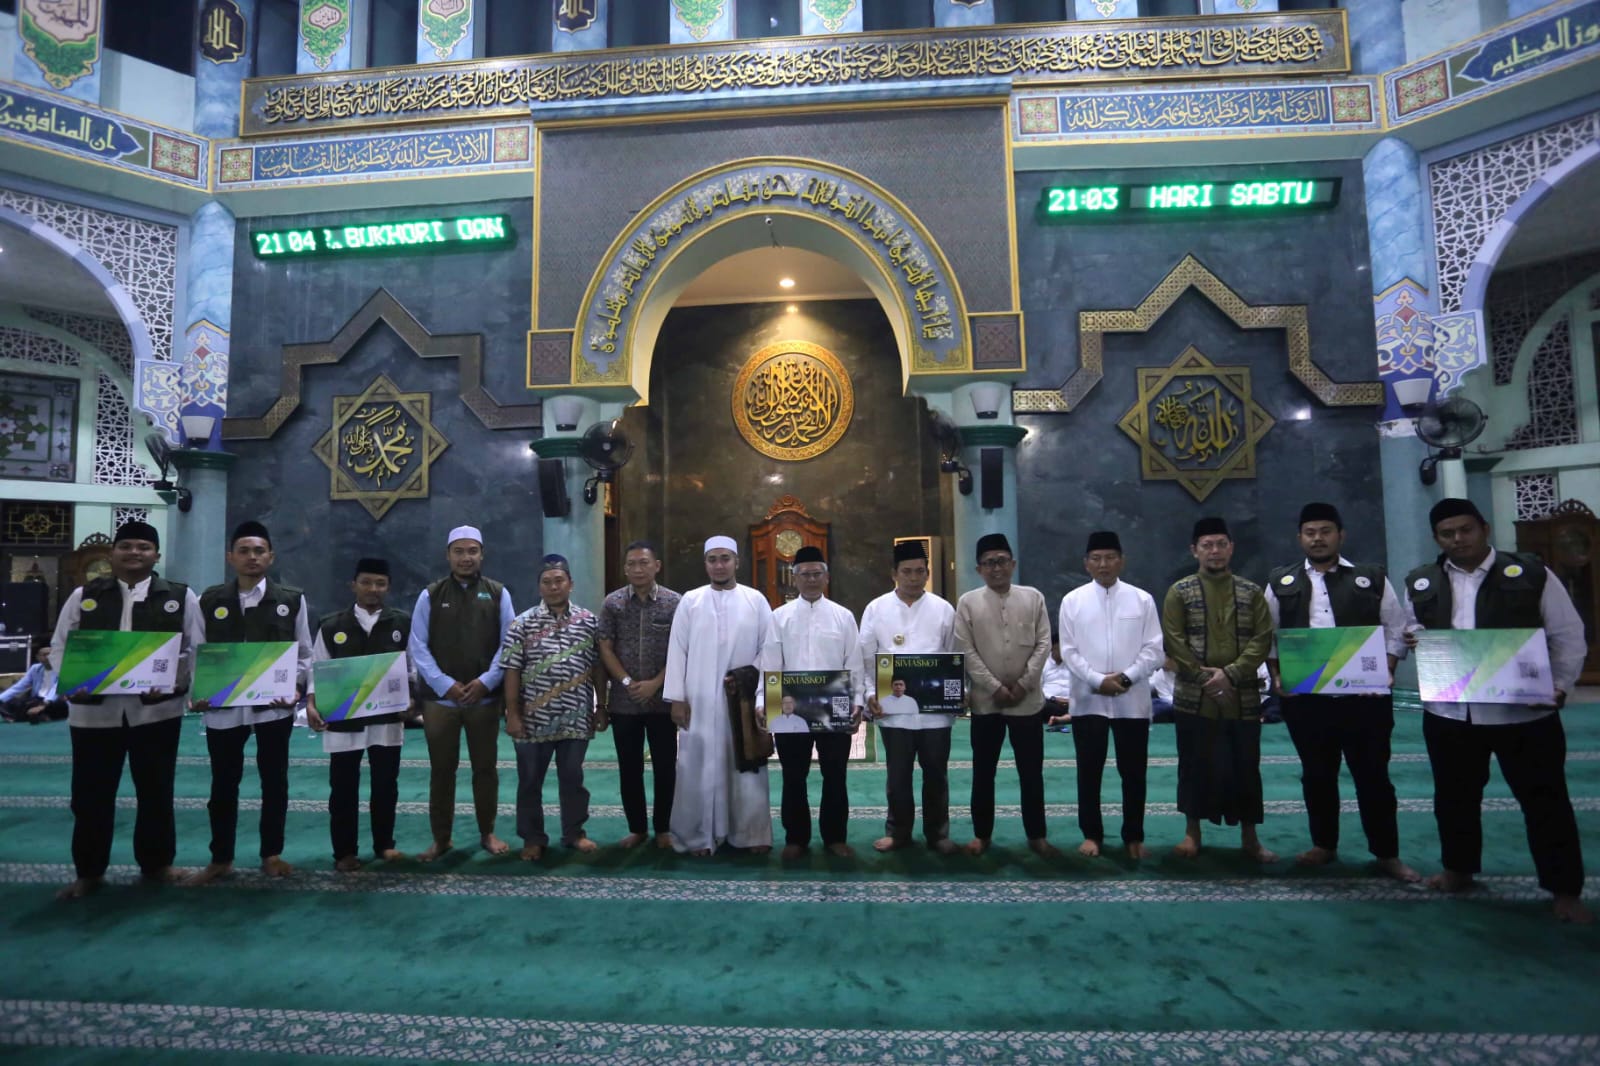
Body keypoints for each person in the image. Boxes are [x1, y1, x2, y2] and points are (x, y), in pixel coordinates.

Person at [1405, 498, 1590, 923]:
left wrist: (1560, 686)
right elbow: (1411, 624)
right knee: (1454, 800)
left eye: (1465, 530)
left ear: (1484, 528)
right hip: (1453, 714)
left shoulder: (1530, 573)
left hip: (1524, 714)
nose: (1457, 539)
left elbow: (1567, 634)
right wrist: (1417, 637)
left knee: (1546, 803)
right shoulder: (1422, 581)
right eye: (1447, 533)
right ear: (1437, 537)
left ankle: (1565, 890)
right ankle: (1458, 870)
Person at [49, 520, 204, 900]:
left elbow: (196, 650)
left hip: (156, 713)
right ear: (112, 552)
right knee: (90, 795)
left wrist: (178, 683)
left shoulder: (181, 597)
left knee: (155, 790)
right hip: (93, 715)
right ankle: (89, 872)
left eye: (143, 547)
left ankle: (157, 864)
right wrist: (70, 681)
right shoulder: (84, 595)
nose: (135, 553)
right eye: (127, 546)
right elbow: (59, 646)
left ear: (157, 555)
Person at [1265, 502, 1417, 881]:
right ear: (1300, 538)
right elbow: (1267, 637)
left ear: (1341, 535)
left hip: (1365, 702)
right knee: (1317, 775)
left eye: (1325, 531)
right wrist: (1277, 677)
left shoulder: (1371, 578)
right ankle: (1324, 845)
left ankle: (1386, 853)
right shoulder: (1281, 581)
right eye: (1310, 532)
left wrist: (1386, 672)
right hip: (1308, 702)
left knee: (1374, 778)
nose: (1318, 539)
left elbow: (1395, 629)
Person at [188, 521, 313, 886]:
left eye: (259, 551)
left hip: (274, 706)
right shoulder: (210, 600)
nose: (252, 557)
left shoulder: (291, 599)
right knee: (223, 785)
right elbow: (197, 651)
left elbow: (304, 652)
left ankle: (271, 853)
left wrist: (295, 689)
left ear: (270, 557)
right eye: (244, 551)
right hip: (224, 710)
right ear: (231, 557)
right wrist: (199, 691)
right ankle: (220, 858)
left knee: (275, 782)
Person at [1161, 517, 1276, 862]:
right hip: (1194, 697)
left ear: (1232, 548)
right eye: (1207, 545)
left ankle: (1250, 838)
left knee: (1245, 766)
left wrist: (1231, 674)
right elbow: (1174, 640)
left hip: (1241, 695)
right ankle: (1191, 833)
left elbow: (1262, 639)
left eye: (1220, 544)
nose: (1214, 551)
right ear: (1194, 550)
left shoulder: (1251, 591)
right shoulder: (1179, 592)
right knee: (1194, 765)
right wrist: (1204, 678)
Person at [663, 535, 779, 856]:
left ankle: (751, 834)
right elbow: (678, 650)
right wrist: (676, 697)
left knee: (746, 766)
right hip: (698, 700)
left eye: (725, 558)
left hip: (741, 700)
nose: (718, 565)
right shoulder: (691, 601)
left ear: (737, 562)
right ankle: (698, 837)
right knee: (697, 766)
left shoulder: (756, 601)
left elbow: (767, 651)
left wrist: (753, 689)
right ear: (705, 564)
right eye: (712, 559)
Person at [409, 525, 516, 861]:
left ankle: (487, 832)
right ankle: (442, 838)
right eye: (459, 551)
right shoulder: (430, 595)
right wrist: (446, 685)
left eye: (472, 551)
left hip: (483, 700)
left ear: (482, 554)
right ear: (448, 555)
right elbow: (418, 647)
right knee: (442, 771)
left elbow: (509, 644)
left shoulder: (499, 593)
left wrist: (486, 681)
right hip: (440, 701)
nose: (466, 557)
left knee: (485, 769)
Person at [1058, 530, 1164, 860]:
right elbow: (1069, 651)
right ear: (1086, 564)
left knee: (1134, 772)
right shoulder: (1072, 601)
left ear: (1122, 561)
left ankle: (1134, 836)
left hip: (1132, 701)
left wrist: (1127, 677)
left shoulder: (1142, 600)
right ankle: (1092, 835)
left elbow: (1154, 650)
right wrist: (1096, 680)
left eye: (1110, 557)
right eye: (1096, 559)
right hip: (1089, 699)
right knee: (1088, 771)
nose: (1103, 564)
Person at [305, 557, 413, 871]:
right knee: (343, 788)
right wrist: (312, 703)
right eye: (366, 582)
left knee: (385, 785)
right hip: (343, 720)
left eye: (380, 583)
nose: (373, 589)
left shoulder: (402, 623)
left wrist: (413, 702)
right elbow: (317, 669)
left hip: (387, 719)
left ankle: (384, 844)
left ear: (388, 587)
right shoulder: (331, 625)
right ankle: (344, 852)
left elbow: (412, 669)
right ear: (353, 585)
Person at [500, 554, 605, 861]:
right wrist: (512, 713)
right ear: (539, 587)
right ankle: (533, 838)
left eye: (559, 581)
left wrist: (602, 706)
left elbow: (598, 667)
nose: (553, 586)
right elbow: (511, 671)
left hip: (577, 715)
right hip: (533, 717)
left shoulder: (588, 621)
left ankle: (574, 833)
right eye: (546, 582)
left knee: (573, 777)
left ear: (570, 584)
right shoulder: (522, 624)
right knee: (530, 780)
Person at [954, 533, 1054, 857]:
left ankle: (1036, 835)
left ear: (1013, 564)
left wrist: (1024, 684)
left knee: (1031, 773)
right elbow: (965, 650)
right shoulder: (968, 602)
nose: (996, 568)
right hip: (986, 702)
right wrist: (994, 687)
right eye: (988, 563)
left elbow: (1043, 644)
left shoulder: (1034, 597)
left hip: (1027, 701)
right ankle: (981, 835)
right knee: (983, 772)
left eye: (1001, 561)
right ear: (978, 569)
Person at [859, 540, 958, 854]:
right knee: (898, 776)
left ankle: (937, 833)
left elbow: (955, 657)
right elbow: (865, 659)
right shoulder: (876, 609)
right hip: (893, 709)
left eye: (920, 571)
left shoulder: (944, 609)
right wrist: (870, 694)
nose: (914, 577)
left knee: (936, 774)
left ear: (927, 573)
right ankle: (898, 831)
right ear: (894, 573)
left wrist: (959, 694)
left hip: (935, 712)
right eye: (907, 571)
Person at [769, 546, 862, 858]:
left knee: (835, 774)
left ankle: (835, 837)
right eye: (804, 574)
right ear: (794, 578)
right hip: (789, 710)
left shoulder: (843, 616)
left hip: (834, 709)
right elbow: (771, 666)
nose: (811, 579)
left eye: (816, 573)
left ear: (827, 577)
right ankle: (796, 838)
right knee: (793, 775)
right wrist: (763, 702)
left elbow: (855, 665)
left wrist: (857, 703)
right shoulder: (778, 618)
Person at [598, 540, 680, 849]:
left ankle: (663, 829)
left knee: (664, 766)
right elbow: (604, 646)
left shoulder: (675, 603)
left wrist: (656, 683)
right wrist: (627, 681)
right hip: (625, 701)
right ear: (624, 568)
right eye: (631, 564)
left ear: (657, 565)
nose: (637, 569)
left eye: (644, 563)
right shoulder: (613, 603)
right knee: (629, 767)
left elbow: (680, 650)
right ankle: (637, 828)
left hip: (662, 700)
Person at [0, 643, 64, 723]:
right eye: (44, 655)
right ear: (38, 657)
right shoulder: (35, 668)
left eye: (50, 654)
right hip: (37, 699)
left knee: (59, 705)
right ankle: (38, 715)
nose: (48, 657)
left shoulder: (62, 669)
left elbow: (56, 690)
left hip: (53, 701)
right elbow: (19, 687)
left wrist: (43, 705)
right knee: (10, 703)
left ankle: (23, 716)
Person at [1041, 640, 1071, 729]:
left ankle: (1060, 719)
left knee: (1085, 706)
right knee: (1040, 706)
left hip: (1070, 702)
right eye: (1059, 649)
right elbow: (1038, 688)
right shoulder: (1043, 664)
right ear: (1052, 649)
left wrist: (1071, 699)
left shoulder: (1071, 663)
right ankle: (1067, 717)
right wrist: (1054, 699)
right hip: (1051, 702)